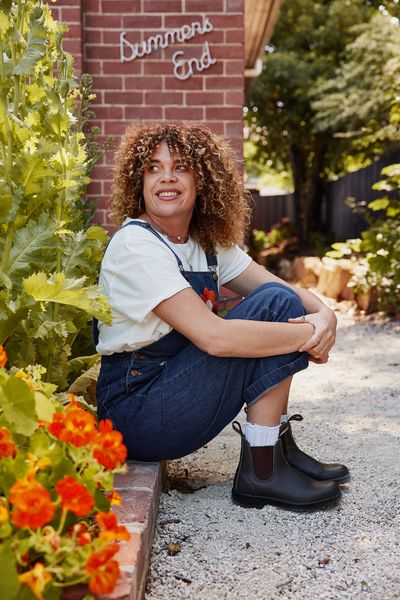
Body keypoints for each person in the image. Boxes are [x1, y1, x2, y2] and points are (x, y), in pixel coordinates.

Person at [95, 122, 349, 510]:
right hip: (136, 412)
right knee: (276, 310)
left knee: (279, 300)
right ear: (138, 182)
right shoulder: (135, 245)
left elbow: (281, 290)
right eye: (153, 168)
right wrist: (308, 336)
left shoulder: (205, 243)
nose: (166, 177)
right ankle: (262, 472)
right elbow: (214, 338)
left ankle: (277, 450)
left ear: (202, 180)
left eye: (180, 167)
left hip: (171, 384)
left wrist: (325, 315)